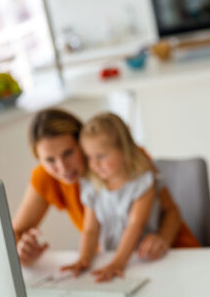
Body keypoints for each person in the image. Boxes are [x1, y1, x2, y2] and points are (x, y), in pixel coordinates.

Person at [12, 108, 199, 268]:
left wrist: (162, 239)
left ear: (82, 143)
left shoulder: (127, 159)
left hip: (172, 253)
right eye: (49, 160)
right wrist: (23, 249)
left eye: (68, 153)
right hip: (125, 263)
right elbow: (13, 233)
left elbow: (171, 210)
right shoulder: (46, 177)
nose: (62, 168)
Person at [60, 112, 174, 281]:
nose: (94, 164)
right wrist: (83, 259)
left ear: (123, 149)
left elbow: (135, 225)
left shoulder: (143, 183)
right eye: (89, 157)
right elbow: (90, 229)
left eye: (101, 156)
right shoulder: (92, 184)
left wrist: (118, 263)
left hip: (142, 259)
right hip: (109, 258)